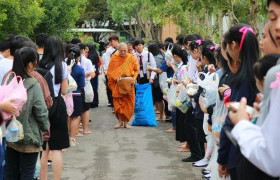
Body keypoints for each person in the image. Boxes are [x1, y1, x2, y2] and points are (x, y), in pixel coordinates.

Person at [227, 0, 280, 178]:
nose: (278, 27)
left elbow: (271, 158)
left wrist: (242, 123)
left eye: (264, 36)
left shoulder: (275, 74)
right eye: (273, 18)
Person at [217, 24, 259, 180]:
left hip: (240, 154)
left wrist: (222, 158)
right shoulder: (261, 75)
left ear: (233, 45)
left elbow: (230, 122)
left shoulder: (242, 80)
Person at [5, 47, 49, 180]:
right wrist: (45, 127)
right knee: (28, 174)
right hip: (29, 136)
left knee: (11, 173)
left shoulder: (9, 79)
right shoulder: (33, 84)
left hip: (11, 134)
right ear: (30, 64)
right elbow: (41, 112)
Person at [38, 36, 69, 180]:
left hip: (42, 106)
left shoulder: (39, 64)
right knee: (56, 149)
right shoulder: (61, 65)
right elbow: (64, 90)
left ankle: (42, 178)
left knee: (44, 148)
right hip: (57, 105)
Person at [107, 43, 138, 129]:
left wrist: (134, 78)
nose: (123, 53)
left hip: (128, 84)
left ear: (127, 50)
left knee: (129, 103)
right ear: (118, 50)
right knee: (118, 104)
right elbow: (110, 71)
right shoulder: (114, 58)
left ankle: (126, 122)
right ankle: (120, 121)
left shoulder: (131, 57)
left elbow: (136, 70)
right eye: (121, 51)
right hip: (118, 84)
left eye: (125, 51)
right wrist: (116, 77)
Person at [66, 46, 85, 147]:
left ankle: (65, 137)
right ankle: (72, 138)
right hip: (76, 94)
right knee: (75, 116)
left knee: (67, 116)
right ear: (78, 57)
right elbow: (82, 84)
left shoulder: (63, 67)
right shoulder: (79, 69)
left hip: (65, 94)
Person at [77, 43, 95, 135]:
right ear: (84, 50)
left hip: (74, 86)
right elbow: (92, 74)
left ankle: (77, 129)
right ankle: (85, 129)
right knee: (85, 108)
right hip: (83, 85)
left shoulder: (68, 60)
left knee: (77, 108)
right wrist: (85, 74)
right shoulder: (87, 61)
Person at [147, 43, 166, 121]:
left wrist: (150, 69)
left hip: (157, 81)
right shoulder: (162, 55)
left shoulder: (156, 58)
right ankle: (162, 114)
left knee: (158, 99)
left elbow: (156, 69)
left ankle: (162, 115)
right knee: (159, 98)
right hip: (160, 80)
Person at [103, 35, 120, 107]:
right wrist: (107, 72)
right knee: (112, 88)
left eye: (111, 41)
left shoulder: (122, 48)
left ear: (116, 40)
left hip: (121, 71)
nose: (110, 43)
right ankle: (114, 103)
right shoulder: (109, 51)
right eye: (110, 42)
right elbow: (107, 62)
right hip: (112, 72)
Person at [87, 43, 100, 108]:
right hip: (95, 72)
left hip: (93, 72)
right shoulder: (95, 54)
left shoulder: (91, 55)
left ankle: (93, 102)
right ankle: (95, 102)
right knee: (94, 87)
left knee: (93, 87)